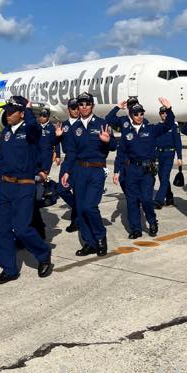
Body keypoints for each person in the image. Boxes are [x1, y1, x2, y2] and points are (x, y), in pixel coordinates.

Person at [0, 96, 53, 284]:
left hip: (24, 185)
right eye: (6, 111)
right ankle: (9, 269)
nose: (7, 115)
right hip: (5, 186)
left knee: (23, 228)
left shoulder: (31, 130)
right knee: (1, 229)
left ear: (21, 113)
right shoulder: (6, 132)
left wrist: (30, 110)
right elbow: (4, 151)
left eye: (11, 111)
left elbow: (40, 138)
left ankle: (43, 254)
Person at [61, 92, 116, 256]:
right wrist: (66, 172)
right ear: (78, 107)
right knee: (79, 208)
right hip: (78, 170)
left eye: (87, 103)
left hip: (96, 170)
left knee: (90, 207)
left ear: (92, 105)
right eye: (81, 104)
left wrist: (108, 141)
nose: (84, 106)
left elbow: (114, 146)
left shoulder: (102, 124)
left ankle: (100, 237)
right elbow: (70, 153)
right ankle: (89, 243)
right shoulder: (74, 128)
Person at [113, 99, 174, 238]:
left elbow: (168, 124)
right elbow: (121, 153)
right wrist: (117, 171)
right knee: (132, 201)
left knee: (146, 199)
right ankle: (136, 229)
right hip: (131, 171)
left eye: (141, 113)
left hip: (146, 171)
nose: (139, 116)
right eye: (136, 114)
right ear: (131, 115)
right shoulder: (126, 132)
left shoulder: (151, 129)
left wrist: (169, 109)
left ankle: (152, 222)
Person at [105, 97, 143, 198]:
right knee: (122, 180)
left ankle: (135, 199)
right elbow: (108, 118)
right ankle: (132, 196)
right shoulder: (123, 120)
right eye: (130, 104)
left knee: (137, 181)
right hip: (124, 154)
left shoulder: (143, 120)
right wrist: (117, 107)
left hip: (137, 156)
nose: (133, 106)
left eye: (135, 104)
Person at [31, 108, 58, 239]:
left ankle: (39, 229)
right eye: (40, 115)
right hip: (35, 159)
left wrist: (57, 155)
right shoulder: (34, 127)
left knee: (37, 193)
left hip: (45, 158)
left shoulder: (51, 128)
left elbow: (56, 143)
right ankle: (38, 228)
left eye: (44, 115)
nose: (42, 117)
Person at [55, 98, 80, 232]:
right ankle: (78, 207)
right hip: (68, 159)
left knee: (77, 191)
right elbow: (55, 142)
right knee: (61, 189)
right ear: (68, 109)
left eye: (77, 108)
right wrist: (57, 137)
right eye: (73, 108)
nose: (76, 110)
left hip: (80, 161)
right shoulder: (63, 125)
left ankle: (75, 222)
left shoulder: (83, 124)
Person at [153, 105, 183, 209]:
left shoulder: (173, 126)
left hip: (169, 154)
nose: (164, 114)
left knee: (165, 176)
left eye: (166, 112)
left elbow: (178, 142)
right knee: (162, 178)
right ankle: (169, 197)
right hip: (158, 154)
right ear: (160, 115)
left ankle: (158, 200)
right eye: (162, 113)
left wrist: (179, 157)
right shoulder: (157, 126)